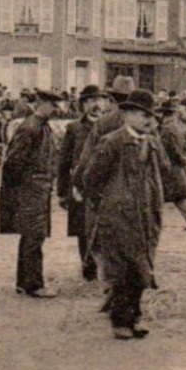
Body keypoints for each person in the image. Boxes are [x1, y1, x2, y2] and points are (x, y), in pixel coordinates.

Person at [79, 89, 177, 340]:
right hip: (118, 218)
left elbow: (165, 172)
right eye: (143, 115)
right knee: (122, 270)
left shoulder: (152, 142)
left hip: (145, 217)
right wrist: (112, 202)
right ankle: (120, 321)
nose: (148, 120)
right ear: (127, 115)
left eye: (151, 116)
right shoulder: (111, 142)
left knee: (141, 269)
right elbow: (91, 179)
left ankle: (134, 317)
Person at [0, 88, 62, 297]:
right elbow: (13, 162)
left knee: (33, 236)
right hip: (31, 189)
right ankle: (34, 284)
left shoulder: (41, 127)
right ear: (41, 103)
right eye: (53, 105)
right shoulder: (30, 128)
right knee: (34, 235)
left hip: (39, 188)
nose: (56, 110)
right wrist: (22, 189)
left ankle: (24, 282)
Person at [56, 83, 107, 281]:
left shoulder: (110, 126)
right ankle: (88, 267)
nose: (96, 104)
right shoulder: (74, 129)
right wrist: (62, 191)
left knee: (106, 226)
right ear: (83, 105)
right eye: (91, 100)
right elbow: (64, 162)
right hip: (81, 187)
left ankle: (106, 266)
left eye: (99, 100)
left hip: (105, 186)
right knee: (83, 228)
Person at [157, 100, 186, 232]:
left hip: (169, 167)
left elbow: (169, 149)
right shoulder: (176, 127)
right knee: (177, 196)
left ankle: (154, 221)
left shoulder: (166, 129)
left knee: (158, 194)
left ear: (164, 114)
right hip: (176, 166)